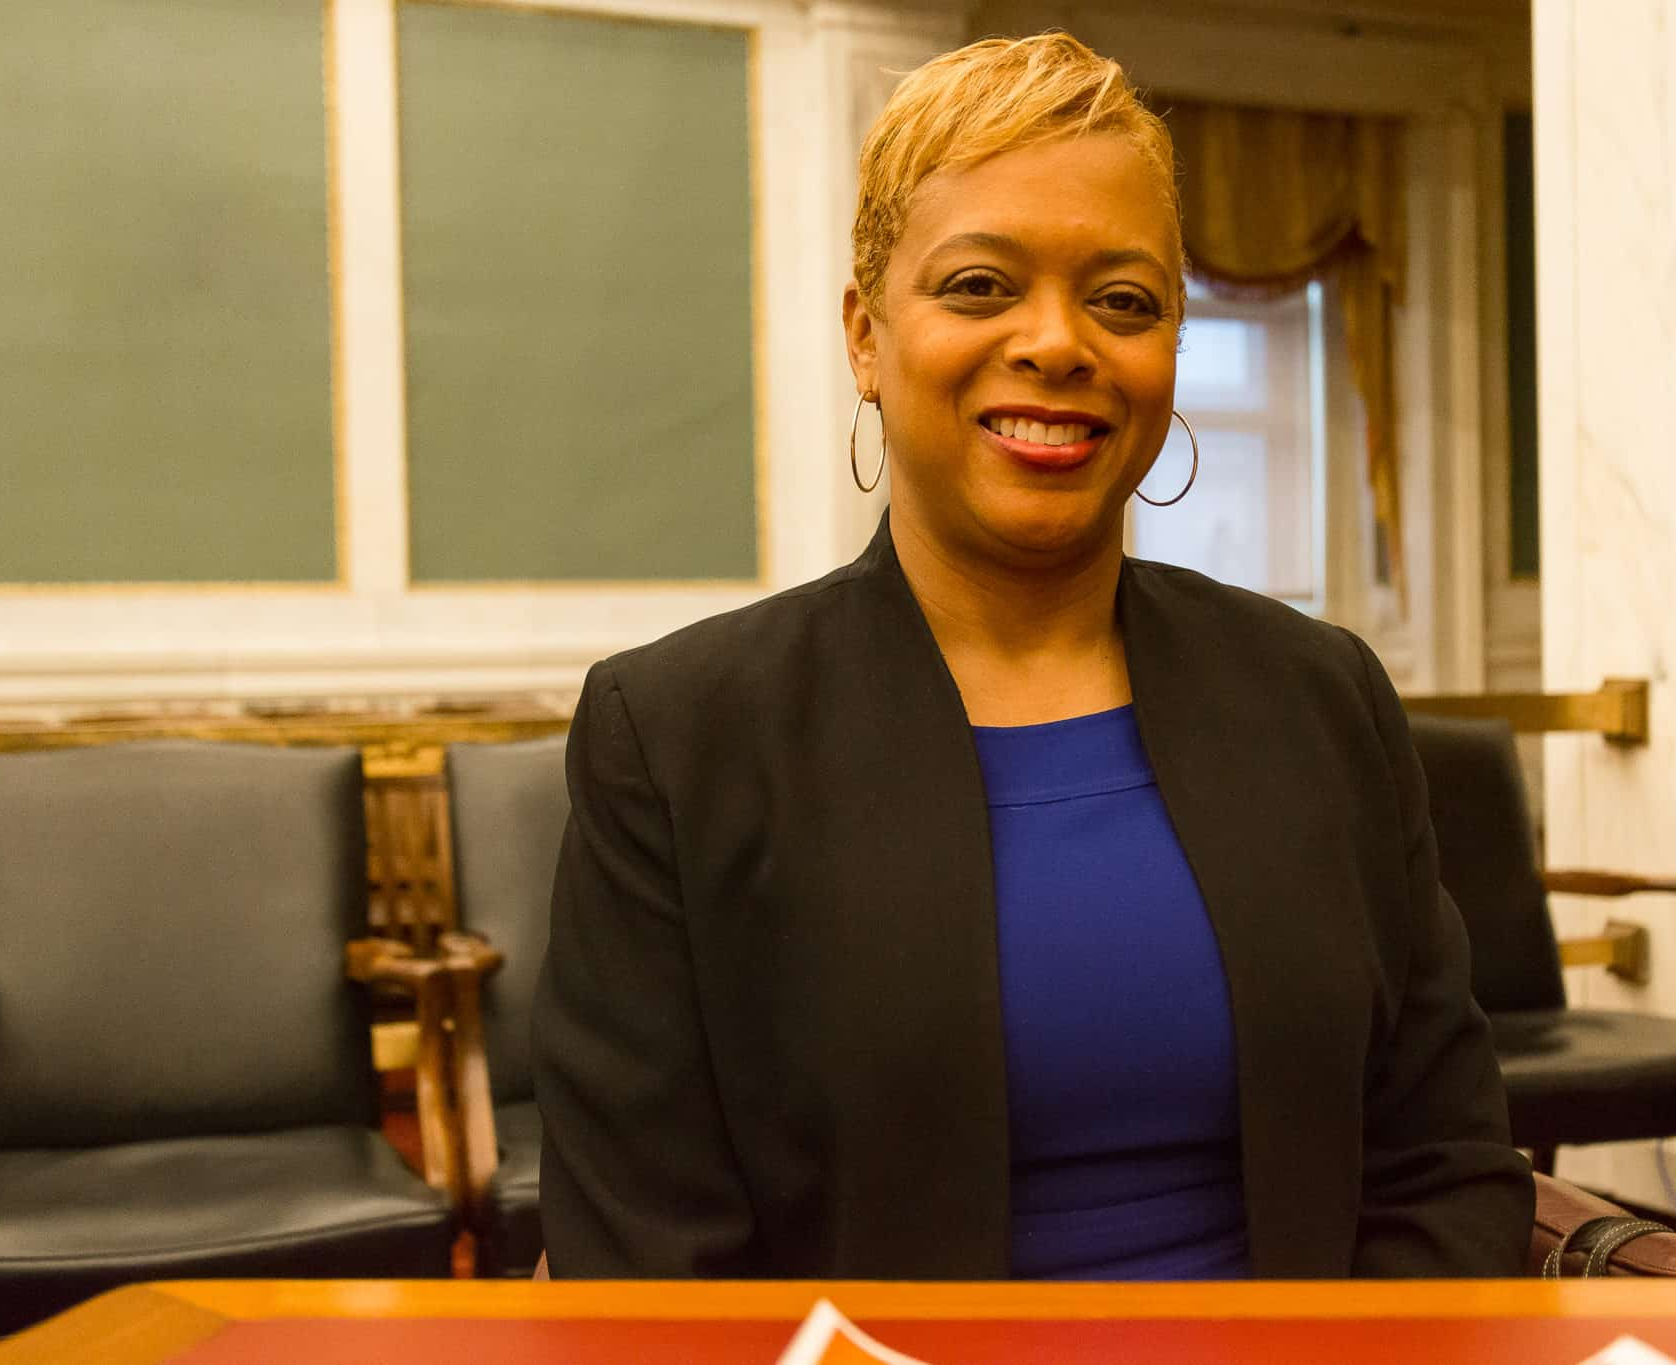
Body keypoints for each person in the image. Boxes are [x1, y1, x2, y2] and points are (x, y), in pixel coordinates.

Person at [534, 31, 1532, 1280]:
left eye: (1124, 301)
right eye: (978, 286)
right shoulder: (676, 734)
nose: (1058, 343)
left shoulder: (1323, 697)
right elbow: (644, 1265)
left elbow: (1443, 1168)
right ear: (864, 337)